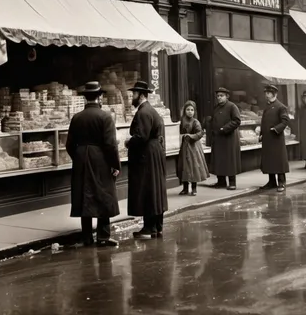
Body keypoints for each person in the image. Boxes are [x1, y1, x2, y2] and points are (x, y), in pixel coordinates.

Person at [66, 81, 121, 247]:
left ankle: (87, 237)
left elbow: (69, 145)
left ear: (86, 98)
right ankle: (103, 236)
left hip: (81, 159)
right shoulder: (105, 117)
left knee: (84, 195)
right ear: (99, 97)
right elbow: (111, 144)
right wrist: (115, 165)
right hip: (101, 160)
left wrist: (79, 157)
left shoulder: (77, 118)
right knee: (104, 194)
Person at [126, 81, 168, 239]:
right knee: (155, 189)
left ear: (141, 95)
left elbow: (141, 136)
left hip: (146, 155)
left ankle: (149, 227)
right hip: (153, 152)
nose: (132, 97)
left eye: (134, 94)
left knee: (148, 189)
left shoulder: (143, 112)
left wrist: (128, 142)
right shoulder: (150, 110)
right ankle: (157, 226)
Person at [209, 87, 242, 190]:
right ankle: (221, 181)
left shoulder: (232, 107)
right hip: (218, 138)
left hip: (229, 138)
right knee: (219, 160)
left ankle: (232, 182)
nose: (219, 98)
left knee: (229, 160)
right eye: (218, 96)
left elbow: (237, 121)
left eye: (221, 96)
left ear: (227, 96)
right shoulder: (216, 108)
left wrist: (225, 128)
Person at [259, 85, 290, 193]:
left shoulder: (280, 107)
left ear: (274, 94)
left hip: (276, 138)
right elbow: (264, 121)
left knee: (278, 161)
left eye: (268, 93)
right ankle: (271, 181)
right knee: (269, 161)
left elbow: (285, 121)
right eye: (266, 93)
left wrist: (276, 129)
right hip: (268, 139)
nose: (266, 95)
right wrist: (262, 133)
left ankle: (281, 182)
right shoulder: (267, 106)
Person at [177, 100, 210, 196]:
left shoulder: (196, 122)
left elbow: (200, 133)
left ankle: (194, 188)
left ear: (194, 111)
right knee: (184, 167)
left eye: (192, 110)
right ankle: (185, 188)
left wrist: (191, 136)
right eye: (188, 109)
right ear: (184, 111)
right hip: (184, 147)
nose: (190, 111)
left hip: (193, 147)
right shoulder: (182, 121)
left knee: (193, 166)